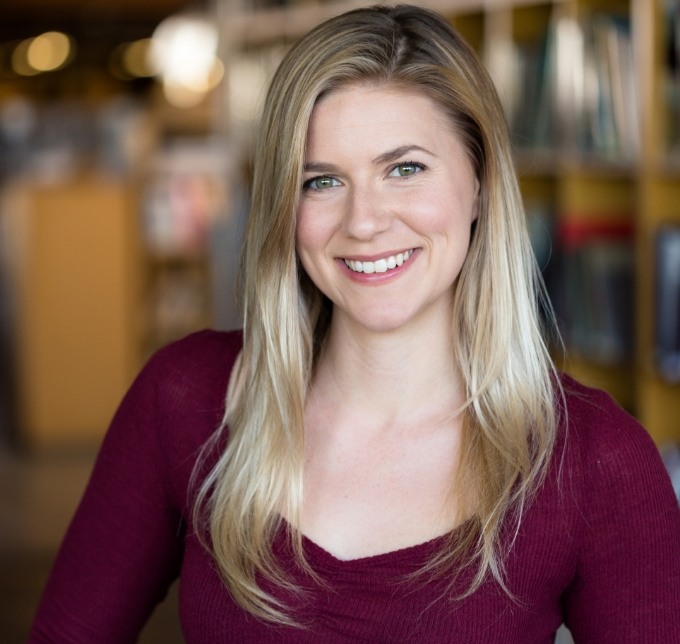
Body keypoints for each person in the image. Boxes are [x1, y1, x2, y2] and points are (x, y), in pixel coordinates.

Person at [29, 5, 680, 642]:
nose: (364, 222)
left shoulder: (596, 460)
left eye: (405, 169)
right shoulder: (185, 400)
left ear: (480, 183)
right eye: (321, 182)